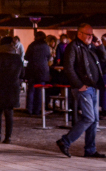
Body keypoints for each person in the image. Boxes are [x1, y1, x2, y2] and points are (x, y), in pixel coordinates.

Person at [56, 24, 106, 158]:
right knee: (89, 117)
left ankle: (90, 149)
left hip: (93, 87)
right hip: (83, 88)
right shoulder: (73, 47)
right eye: (88, 34)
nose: (91, 37)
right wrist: (78, 84)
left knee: (94, 120)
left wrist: (100, 46)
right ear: (80, 34)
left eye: (92, 34)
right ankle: (65, 141)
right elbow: (69, 68)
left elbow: (104, 59)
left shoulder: (90, 47)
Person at [0, 37, 23, 144]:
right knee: (9, 111)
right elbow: (23, 73)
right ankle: (8, 137)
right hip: (12, 87)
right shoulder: (17, 57)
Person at [24, 31, 52, 117]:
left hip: (32, 70)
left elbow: (26, 57)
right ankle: (38, 109)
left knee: (31, 90)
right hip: (43, 71)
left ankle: (29, 109)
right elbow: (49, 56)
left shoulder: (32, 45)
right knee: (40, 91)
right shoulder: (46, 46)